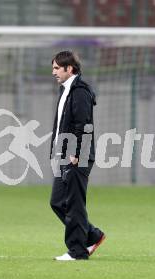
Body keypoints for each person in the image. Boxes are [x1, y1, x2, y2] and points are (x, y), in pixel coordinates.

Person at [49, 50, 105, 261]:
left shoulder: (80, 91)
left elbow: (85, 125)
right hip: (64, 155)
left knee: (74, 204)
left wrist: (76, 152)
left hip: (76, 156)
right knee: (57, 202)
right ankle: (92, 235)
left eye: (56, 68)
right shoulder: (65, 90)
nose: (53, 72)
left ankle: (77, 251)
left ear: (69, 68)